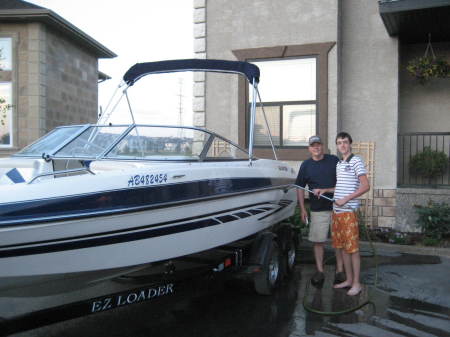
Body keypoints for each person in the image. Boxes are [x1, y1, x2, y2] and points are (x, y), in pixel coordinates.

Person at [295, 135, 344, 287]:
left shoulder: (334, 160)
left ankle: (340, 271)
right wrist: (303, 209)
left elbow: (344, 182)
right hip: (317, 209)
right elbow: (300, 188)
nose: (316, 147)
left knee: (339, 242)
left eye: (318, 145)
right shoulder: (306, 165)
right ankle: (320, 271)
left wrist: (326, 190)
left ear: (322, 146)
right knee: (318, 242)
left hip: (337, 207)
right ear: (309, 149)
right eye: (313, 145)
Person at [332, 132, 370, 296]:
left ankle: (357, 283)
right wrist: (325, 190)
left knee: (352, 250)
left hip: (348, 213)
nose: (342, 145)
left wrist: (346, 199)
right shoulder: (339, 164)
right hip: (336, 213)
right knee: (342, 249)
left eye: (345, 142)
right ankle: (348, 280)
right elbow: (340, 186)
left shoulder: (356, 161)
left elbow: (365, 186)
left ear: (350, 143)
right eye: (339, 142)